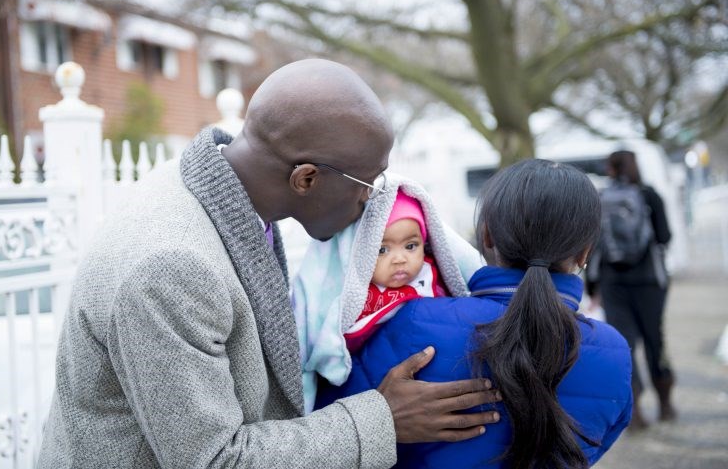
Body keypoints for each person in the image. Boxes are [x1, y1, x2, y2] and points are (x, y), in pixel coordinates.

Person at [37, 59, 500, 469]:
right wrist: (384, 418)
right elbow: (215, 459)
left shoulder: (220, 191)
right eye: (368, 181)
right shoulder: (172, 268)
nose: (372, 199)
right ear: (306, 178)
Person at [321, 159, 633, 468]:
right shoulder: (614, 352)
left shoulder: (412, 322)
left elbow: (332, 426)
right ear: (585, 252)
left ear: (486, 237)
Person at [294, 181, 483, 413]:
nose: (400, 259)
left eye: (411, 246)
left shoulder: (432, 280)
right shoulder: (350, 295)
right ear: (362, 251)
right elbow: (323, 340)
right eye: (382, 250)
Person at [586, 150, 676, 430]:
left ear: (610, 169)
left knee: (624, 345)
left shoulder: (600, 199)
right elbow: (665, 236)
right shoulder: (649, 195)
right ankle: (665, 405)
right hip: (649, 280)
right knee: (654, 340)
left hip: (614, 283)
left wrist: (592, 286)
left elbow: (595, 245)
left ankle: (634, 412)